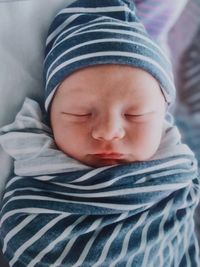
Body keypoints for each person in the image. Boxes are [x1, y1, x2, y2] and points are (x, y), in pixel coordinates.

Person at [0, 0, 199, 266]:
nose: (108, 132)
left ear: (163, 119)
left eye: (134, 115)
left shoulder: (176, 177)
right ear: (49, 119)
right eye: (80, 114)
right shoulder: (34, 174)